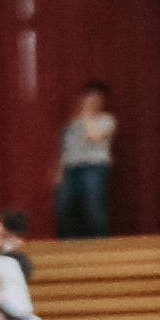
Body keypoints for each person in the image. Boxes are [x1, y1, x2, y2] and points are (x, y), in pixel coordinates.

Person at [50, 82, 118, 238]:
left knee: (93, 207)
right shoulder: (72, 123)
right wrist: (59, 171)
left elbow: (93, 135)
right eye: (88, 99)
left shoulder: (107, 120)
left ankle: (100, 243)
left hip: (93, 167)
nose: (91, 103)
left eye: (96, 100)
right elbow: (65, 148)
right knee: (63, 207)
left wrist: (87, 114)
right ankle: (68, 244)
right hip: (71, 168)